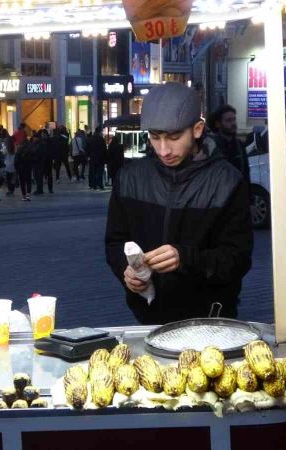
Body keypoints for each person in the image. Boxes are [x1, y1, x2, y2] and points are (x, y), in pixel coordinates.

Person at [105, 83, 253, 323]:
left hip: (210, 318)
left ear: (197, 129)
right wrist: (126, 269)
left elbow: (238, 259)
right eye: (155, 137)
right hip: (147, 316)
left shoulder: (227, 180)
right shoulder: (129, 177)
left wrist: (185, 259)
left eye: (174, 137)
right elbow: (115, 241)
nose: (164, 150)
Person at [207, 104, 250, 182]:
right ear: (218, 124)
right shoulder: (212, 146)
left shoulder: (239, 145)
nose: (233, 123)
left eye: (234, 119)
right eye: (228, 120)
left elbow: (246, 174)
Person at [33, 130, 53, 195]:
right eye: (42, 134)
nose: (43, 136)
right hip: (42, 161)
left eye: (44, 134)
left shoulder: (47, 141)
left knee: (46, 175)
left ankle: (49, 189)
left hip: (46, 161)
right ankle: (40, 189)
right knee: (38, 176)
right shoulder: (40, 142)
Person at [15, 136, 35, 201]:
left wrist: (16, 167)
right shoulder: (30, 149)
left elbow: (16, 160)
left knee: (22, 182)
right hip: (28, 167)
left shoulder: (19, 149)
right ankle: (28, 194)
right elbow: (32, 159)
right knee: (28, 181)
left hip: (21, 168)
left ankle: (24, 195)